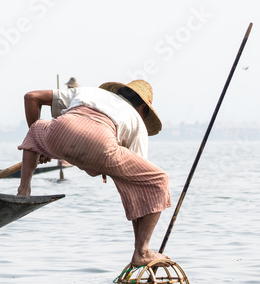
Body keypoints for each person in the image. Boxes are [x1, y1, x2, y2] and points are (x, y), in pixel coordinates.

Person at [16, 79, 171, 266]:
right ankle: (142, 252)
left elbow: (31, 97)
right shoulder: (136, 120)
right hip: (101, 145)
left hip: (59, 133)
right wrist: (139, 247)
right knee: (159, 179)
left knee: (36, 127)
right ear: (143, 110)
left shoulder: (87, 92)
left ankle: (23, 190)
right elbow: (140, 189)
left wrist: (41, 146)